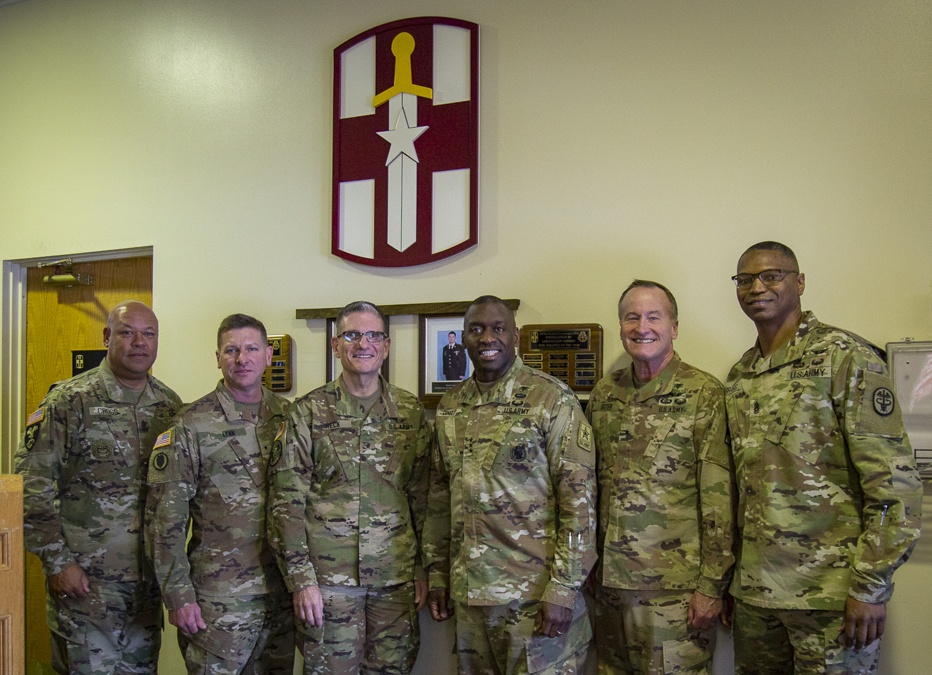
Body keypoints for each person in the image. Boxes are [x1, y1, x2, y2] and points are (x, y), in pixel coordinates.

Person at [725, 241, 922, 673]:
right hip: (757, 597)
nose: (757, 287)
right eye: (745, 279)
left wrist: (870, 587)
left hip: (831, 596)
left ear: (799, 282)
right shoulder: (741, 375)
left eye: (771, 275)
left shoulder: (846, 357)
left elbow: (895, 484)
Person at [423, 295, 597, 673]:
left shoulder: (551, 398)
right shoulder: (451, 406)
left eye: (498, 328)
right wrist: (438, 573)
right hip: (470, 598)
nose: (488, 338)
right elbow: (439, 496)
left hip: (533, 600)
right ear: (464, 338)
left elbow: (579, 502)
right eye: (477, 329)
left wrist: (564, 589)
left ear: (515, 336)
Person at [14, 300, 182, 674]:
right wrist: (58, 562)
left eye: (149, 334)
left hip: (144, 587)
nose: (139, 342)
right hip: (85, 585)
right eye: (127, 332)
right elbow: (31, 484)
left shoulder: (169, 406)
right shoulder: (70, 401)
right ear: (107, 337)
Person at [267, 301, 431, 674]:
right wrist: (300, 580)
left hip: (396, 580)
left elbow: (424, 496)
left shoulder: (410, 412)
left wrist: (423, 568)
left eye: (373, 335)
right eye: (352, 335)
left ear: (386, 347)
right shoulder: (307, 412)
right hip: (328, 585)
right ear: (335, 344)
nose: (363, 344)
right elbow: (286, 503)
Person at [587, 280, 736, 674]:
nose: (642, 327)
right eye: (631, 317)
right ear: (620, 326)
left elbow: (719, 498)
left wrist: (711, 586)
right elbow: (589, 487)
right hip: (610, 588)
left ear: (674, 326)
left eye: (654, 316)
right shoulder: (604, 395)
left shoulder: (703, 393)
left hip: (675, 592)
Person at [145, 313, 294, 673]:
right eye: (231, 350)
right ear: (217, 357)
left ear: (268, 355)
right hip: (219, 601)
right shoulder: (190, 424)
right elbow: (165, 520)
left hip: (281, 596)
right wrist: (177, 595)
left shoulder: (290, 417)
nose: (242, 359)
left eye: (251, 348)